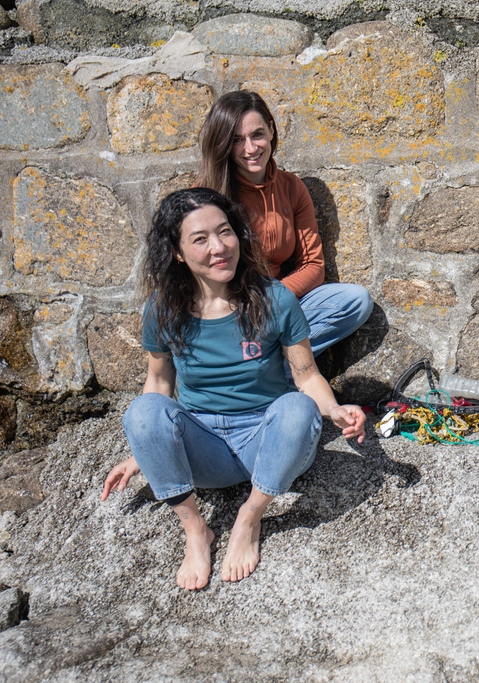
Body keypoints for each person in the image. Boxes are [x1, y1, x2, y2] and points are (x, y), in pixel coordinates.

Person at [101, 188, 366, 591]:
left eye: (225, 232)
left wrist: (334, 411)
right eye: (200, 239)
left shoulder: (274, 299)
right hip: (203, 451)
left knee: (298, 407)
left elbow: (306, 375)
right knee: (140, 412)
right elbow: (158, 383)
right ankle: (196, 532)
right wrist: (145, 449)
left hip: (267, 445)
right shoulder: (162, 308)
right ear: (176, 252)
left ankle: (250, 519)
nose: (219, 247)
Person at [196, 90, 372, 357]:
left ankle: (272, 367)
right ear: (223, 144)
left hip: (276, 304)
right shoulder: (204, 197)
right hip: (226, 312)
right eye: (237, 140)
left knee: (355, 301)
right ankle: (268, 368)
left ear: (271, 130)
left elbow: (313, 265)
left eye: (257, 134)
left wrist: (273, 299)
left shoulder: (292, 187)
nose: (251, 148)